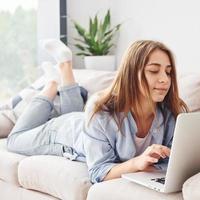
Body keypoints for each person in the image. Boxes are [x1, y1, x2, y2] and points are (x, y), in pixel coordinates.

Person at [7, 39, 188, 183]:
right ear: (131, 74)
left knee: (75, 113)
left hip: (85, 122)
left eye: (168, 72)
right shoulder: (101, 111)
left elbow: (173, 161)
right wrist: (136, 163)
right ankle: (52, 84)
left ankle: (65, 66)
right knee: (14, 140)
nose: (165, 79)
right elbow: (98, 171)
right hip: (64, 132)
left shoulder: (171, 113)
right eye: (154, 71)